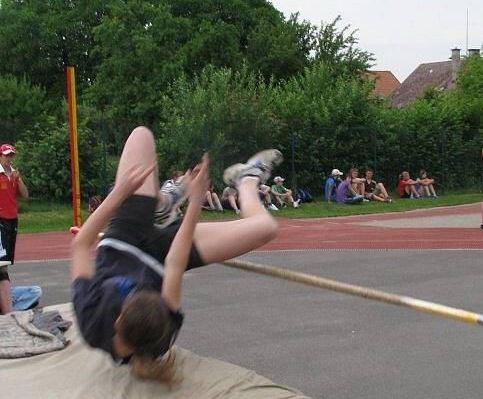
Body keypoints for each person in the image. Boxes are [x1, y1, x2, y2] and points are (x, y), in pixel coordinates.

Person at [71, 126, 280, 383]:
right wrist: (195, 201)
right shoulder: (161, 328)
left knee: (140, 135)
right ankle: (247, 179)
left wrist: (119, 193)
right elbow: (175, 262)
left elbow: (81, 244)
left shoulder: (92, 321)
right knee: (266, 228)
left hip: (124, 235)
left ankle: (161, 203)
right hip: (165, 254)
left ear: (117, 320)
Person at [0, 143, 29, 314]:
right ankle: (7, 307)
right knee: (2, 262)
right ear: (1, 156)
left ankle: (6, 300)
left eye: (11, 155)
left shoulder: (14, 175)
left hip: (12, 219)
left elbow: (25, 195)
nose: (9, 158)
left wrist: (19, 179)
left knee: (7, 260)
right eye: (6, 155)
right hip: (1, 219)